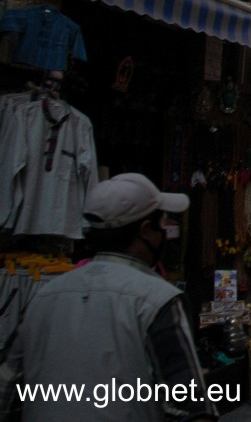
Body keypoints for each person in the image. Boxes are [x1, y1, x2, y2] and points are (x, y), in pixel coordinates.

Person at [0, 173, 218, 421]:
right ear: (146, 231)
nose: (164, 235)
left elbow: (6, 384)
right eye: (162, 225)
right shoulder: (159, 299)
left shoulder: (44, 297)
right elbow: (192, 403)